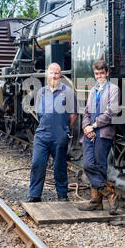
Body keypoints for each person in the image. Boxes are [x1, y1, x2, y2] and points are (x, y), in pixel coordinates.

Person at [28, 63, 78, 202]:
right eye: (51, 73)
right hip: (42, 134)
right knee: (37, 163)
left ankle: (62, 194)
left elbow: (74, 114)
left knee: (60, 165)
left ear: (60, 75)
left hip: (60, 134)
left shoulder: (67, 92)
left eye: (57, 73)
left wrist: (65, 128)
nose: (54, 76)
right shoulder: (41, 92)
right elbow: (39, 113)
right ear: (47, 74)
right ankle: (35, 195)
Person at [78, 60, 120, 215]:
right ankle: (110, 193)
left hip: (103, 133)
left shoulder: (113, 89)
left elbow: (111, 112)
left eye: (102, 73)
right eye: (96, 74)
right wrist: (86, 128)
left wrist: (93, 126)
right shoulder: (93, 89)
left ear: (107, 73)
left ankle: (96, 201)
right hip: (90, 133)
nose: (99, 76)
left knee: (100, 166)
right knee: (88, 165)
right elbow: (87, 112)